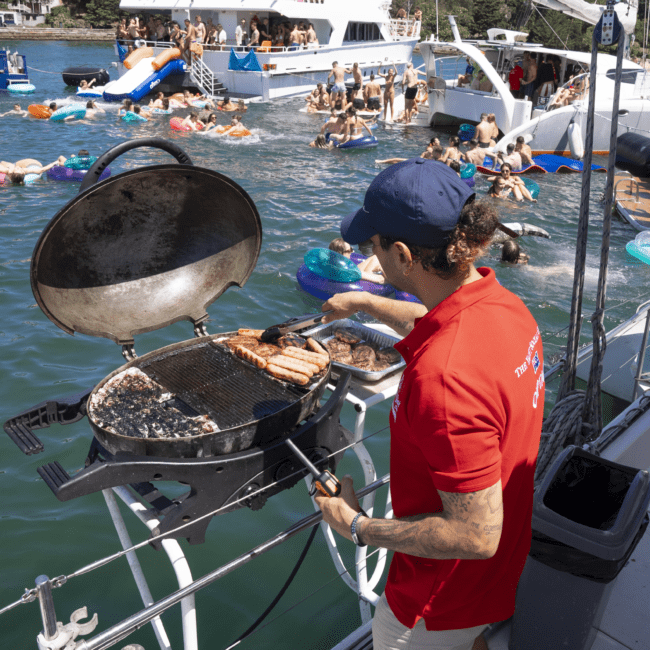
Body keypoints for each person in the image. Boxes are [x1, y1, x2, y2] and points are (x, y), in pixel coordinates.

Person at [315, 159, 544, 650]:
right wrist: (366, 302)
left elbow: (476, 535)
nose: (370, 250)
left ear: (400, 254)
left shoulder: (443, 380)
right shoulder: (504, 305)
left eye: (373, 244)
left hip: (434, 600)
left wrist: (356, 525)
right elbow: (433, 317)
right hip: (494, 575)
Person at [0, 156, 67, 184]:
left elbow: (41, 170)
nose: (18, 167)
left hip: (32, 163)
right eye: (18, 168)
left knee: (11, 166)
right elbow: (41, 170)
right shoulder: (11, 170)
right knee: (11, 166)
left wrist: (55, 163)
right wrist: (55, 162)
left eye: (19, 168)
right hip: (5, 165)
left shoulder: (20, 170)